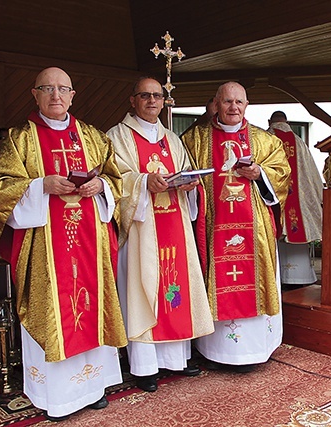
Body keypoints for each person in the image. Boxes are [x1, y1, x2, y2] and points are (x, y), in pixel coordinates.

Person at [0, 67, 127, 422]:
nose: (56, 96)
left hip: (89, 244)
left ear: (73, 95)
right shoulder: (19, 140)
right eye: (48, 88)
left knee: (90, 305)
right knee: (54, 311)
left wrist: (102, 187)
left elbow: (114, 177)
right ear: (35, 94)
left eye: (63, 89)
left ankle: (93, 389)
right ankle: (57, 398)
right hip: (45, 247)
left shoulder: (92, 136)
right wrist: (39, 185)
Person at [106, 77, 214, 392]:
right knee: (144, 288)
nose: (152, 101)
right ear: (132, 100)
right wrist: (143, 183)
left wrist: (192, 185)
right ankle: (144, 367)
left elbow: (184, 172)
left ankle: (176, 359)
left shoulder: (172, 139)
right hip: (141, 229)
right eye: (145, 95)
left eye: (157, 96)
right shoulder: (118, 137)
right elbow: (115, 180)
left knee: (175, 287)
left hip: (174, 226)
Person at [182, 81, 291, 373]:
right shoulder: (194, 138)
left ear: (246, 106)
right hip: (213, 226)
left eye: (239, 102)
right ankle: (216, 350)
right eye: (227, 102)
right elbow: (184, 174)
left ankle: (256, 349)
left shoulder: (264, 140)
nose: (233, 108)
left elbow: (282, 175)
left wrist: (260, 173)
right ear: (216, 104)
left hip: (253, 229)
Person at [266, 111, 322, 286]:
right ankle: (301, 277)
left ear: (270, 121)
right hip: (298, 202)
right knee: (297, 228)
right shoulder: (298, 141)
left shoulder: (265, 138)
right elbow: (311, 172)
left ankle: (277, 279)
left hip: (275, 199)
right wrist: (319, 195)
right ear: (287, 121)